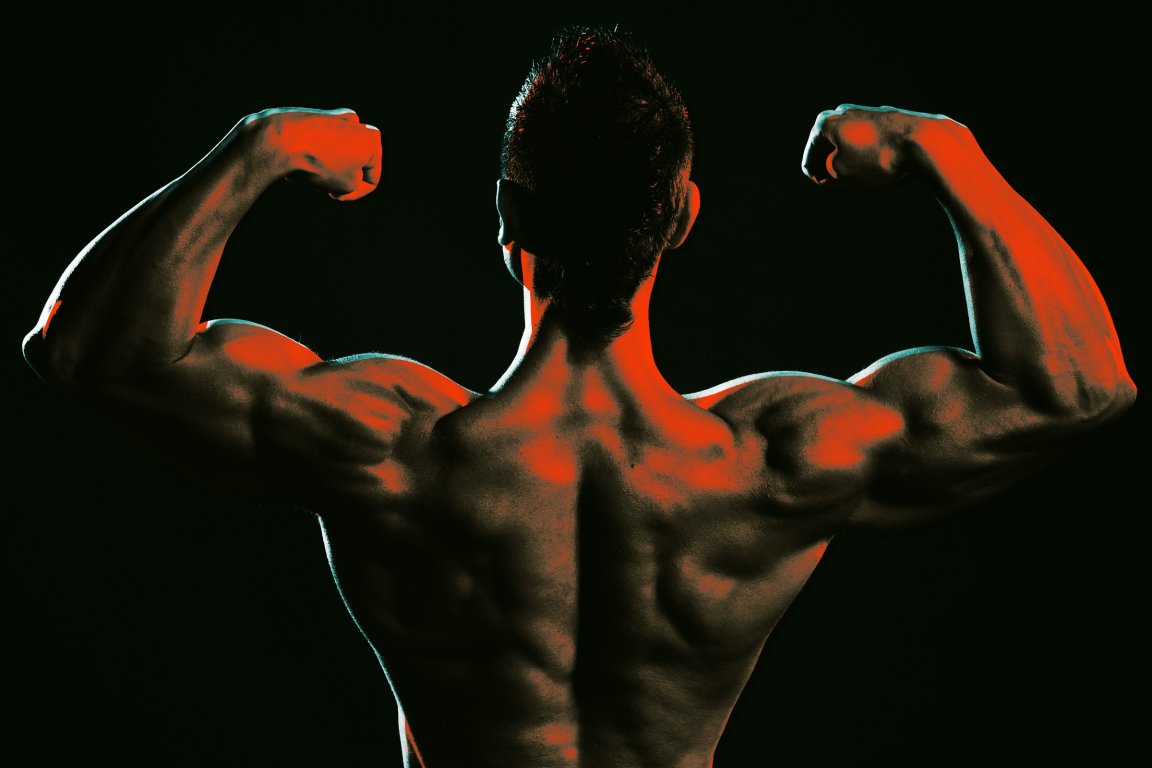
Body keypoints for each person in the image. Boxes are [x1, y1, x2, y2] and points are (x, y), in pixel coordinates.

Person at [21, 27, 1135, 768]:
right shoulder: (773, 460)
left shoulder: (388, 445)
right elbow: (1079, 384)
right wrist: (949, 154)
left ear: (507, 223)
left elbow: (91, 350)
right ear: (684, 217)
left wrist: (257, 151)